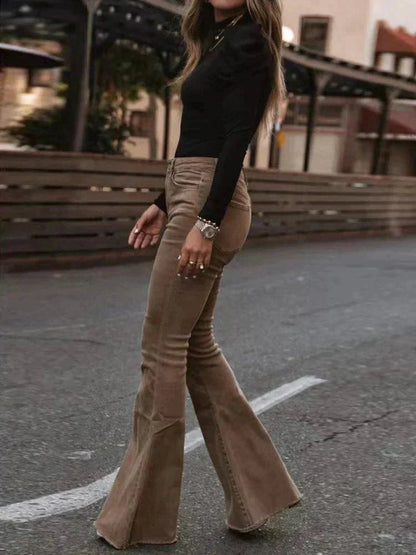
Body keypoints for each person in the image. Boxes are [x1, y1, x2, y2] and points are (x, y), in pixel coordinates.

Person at [93, 0, 302, 548]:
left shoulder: (251, 41)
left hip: (210, 200)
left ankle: (143, 518)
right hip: (190, 193)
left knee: (162, 347)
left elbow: (236, 138)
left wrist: (203, 222)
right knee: (195, 347)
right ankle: (259, 494)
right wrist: (164, 201)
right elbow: (204, 131)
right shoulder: (221, 36)